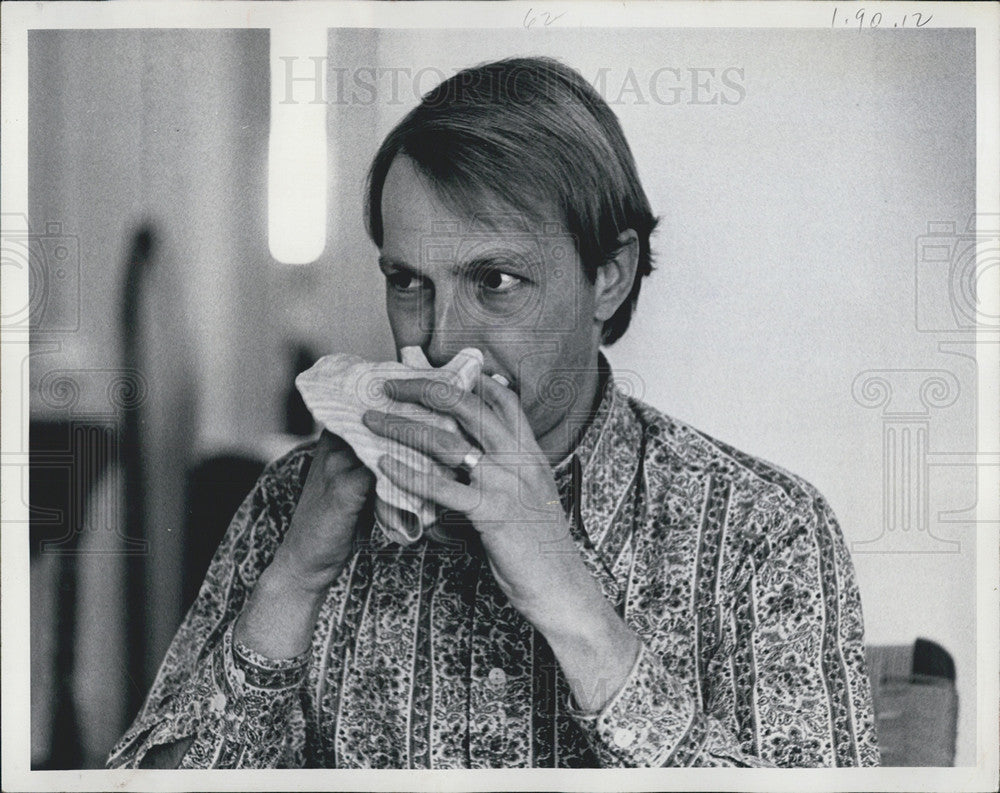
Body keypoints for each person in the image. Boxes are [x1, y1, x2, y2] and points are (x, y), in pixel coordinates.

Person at [108, 56, 880, 769]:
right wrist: (294, 579)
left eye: (497, 281)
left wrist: (572, 601)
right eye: (408, 281)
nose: (440, 339)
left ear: (607, 276)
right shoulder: (290, 503)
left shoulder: (765, 533)